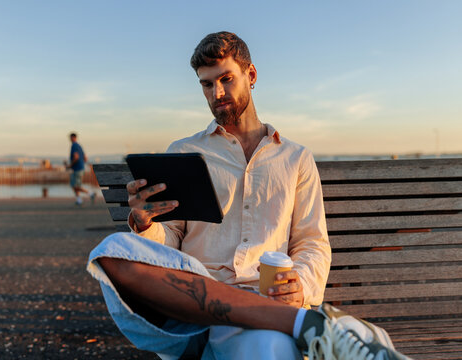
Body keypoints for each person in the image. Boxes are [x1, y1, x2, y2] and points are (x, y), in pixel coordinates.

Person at [87, 32, 410, 359]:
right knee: (113, 249)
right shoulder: (184, 152)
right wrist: (144, 225)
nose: (217, 93)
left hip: (265, 300)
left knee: (267, 347)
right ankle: (310, 326)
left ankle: (294, 322)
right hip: (193, 307)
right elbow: (171, 239)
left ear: (251, 75)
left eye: (226, 79)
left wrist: (299, 286)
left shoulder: (295, 158)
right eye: (206, 84)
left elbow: (312, 242)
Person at [65, 132, 96, 205]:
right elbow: (85, 158)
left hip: (77, 169)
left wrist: (70, 165)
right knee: (74, 185)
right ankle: (79, 200)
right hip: (81, 168)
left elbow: (76, 157)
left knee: (75, 186)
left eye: (70, 138)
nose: (70, 139)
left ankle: (90, 194)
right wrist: (81, 163)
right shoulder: (79, 146)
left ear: (73, 138)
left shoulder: (74, 145)